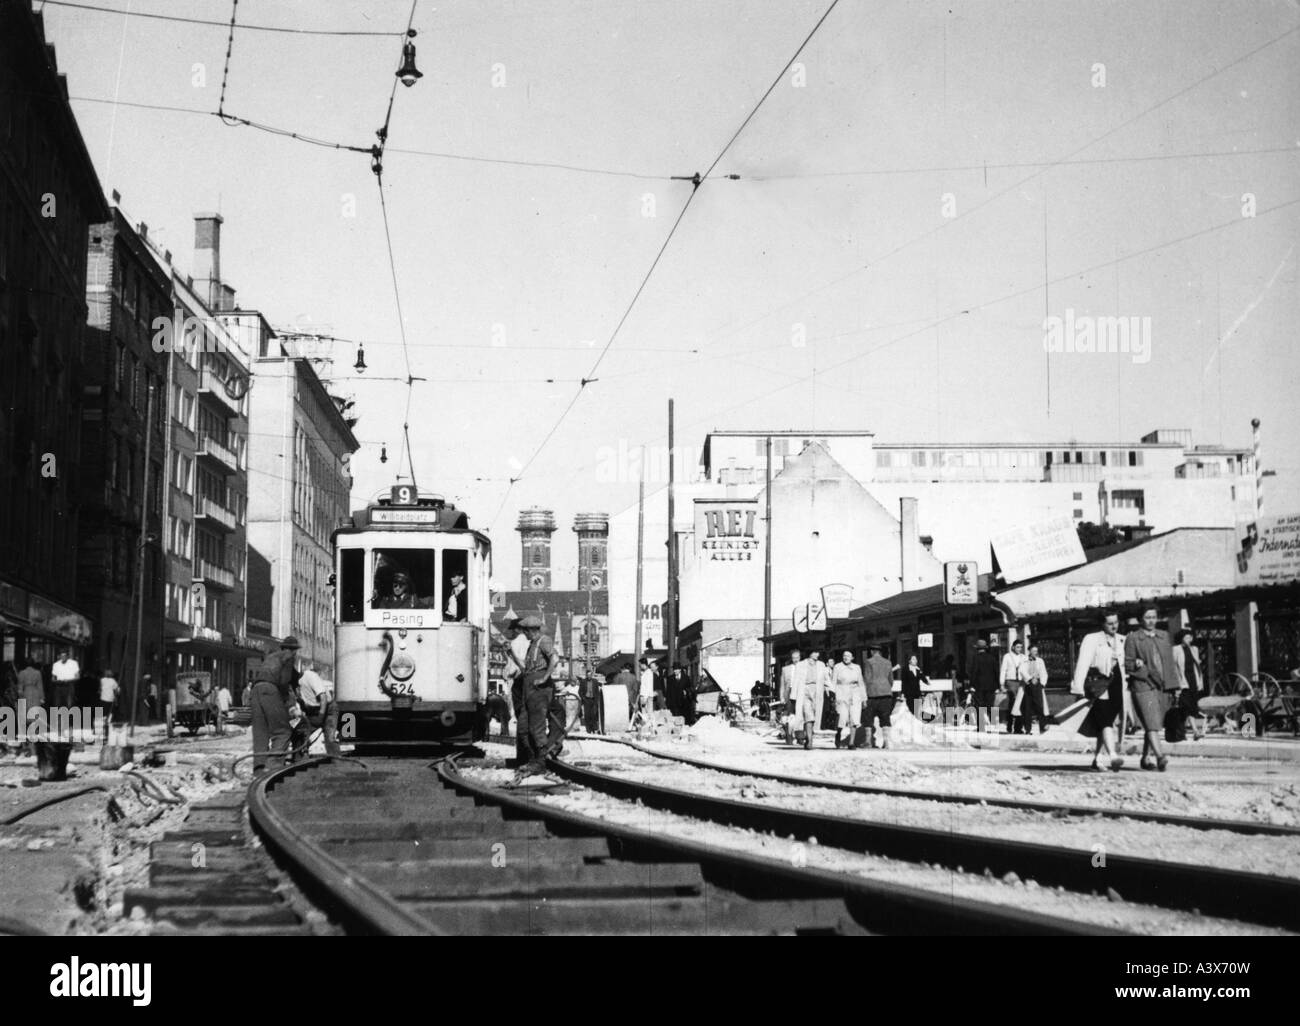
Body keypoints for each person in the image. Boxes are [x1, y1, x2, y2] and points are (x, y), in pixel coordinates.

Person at [1072, 611, 1126, 771]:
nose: (1114, 626)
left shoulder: (1122, 639)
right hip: (1099, 683)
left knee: (1107, 722)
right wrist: (1078, 686)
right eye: (1110, 623)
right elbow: (1083, 662)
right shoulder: (1092, 639)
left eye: (1116, 622)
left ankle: (1097, 758)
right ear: (1102, 624)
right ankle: (1113, 755)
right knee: (1105, 720)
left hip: (1117, 684)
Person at [1124, 606, 1175, 771]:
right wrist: (1142, 668)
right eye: (1147, 617)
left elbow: (1169, 663)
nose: (1151, 620)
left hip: (1162, 686)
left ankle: (1146, 758)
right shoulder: (1133, 638)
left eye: (1154, 617)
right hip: (1143, 685)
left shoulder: (1164, 636)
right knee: (1151, 722)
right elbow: (1129, 664)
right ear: (1140, 619)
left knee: (1152, 722)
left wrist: (1174, 685)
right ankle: (1160, 757)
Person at [513, 615, 558, 782]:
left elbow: (555, 658)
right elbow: (527, 669)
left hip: (539, 689)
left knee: (536, 727)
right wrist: (512, 656)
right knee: (523, 727)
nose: (524, 634)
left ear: (532, 630)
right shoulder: (532, 644)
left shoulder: (544, 640)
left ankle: (540, 762)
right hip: (529, 685)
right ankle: (533, 760)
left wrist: (545, 677)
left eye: (526, 631)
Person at [250, 636, 301, 771]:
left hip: (255, 690)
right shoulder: (288, 657)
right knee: (282, 731)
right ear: (294, 650)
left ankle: (259, 768)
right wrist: (290, 705)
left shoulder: (271, 657)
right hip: (270, 689)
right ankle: (274, 767)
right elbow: (284, 682)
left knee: (260, 732)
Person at [501, 616, 533, 765]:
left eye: (512, 630)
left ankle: (523, 755)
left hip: (518, 682)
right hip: (531, 681)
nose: (511, 633)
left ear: (517, 629)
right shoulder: (531, 642)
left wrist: (505, 673)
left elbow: (511, 669)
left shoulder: (514, 643)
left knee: (520, 717)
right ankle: (530, 754)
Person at [295, 664, 342, 756]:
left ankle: (336, 761)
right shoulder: (294, 684)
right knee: (300, 732)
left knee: (330, 737)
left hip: (328, 709)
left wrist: (320, 717)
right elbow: (301, 701)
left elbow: (323, 698)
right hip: (312, 710)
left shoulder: (309, 676)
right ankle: (300, 758)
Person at [1172, 630, 1206, 740]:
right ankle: (1190, 731)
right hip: (1182, 681)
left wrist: (1200, 681)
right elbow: (1173, 667)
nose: (1188, 640)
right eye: (1186, 638)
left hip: (1193, 680)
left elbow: (1198, 665)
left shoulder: (1194, 649)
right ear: (1182, 638)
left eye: (1190, 638)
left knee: (1191, 707)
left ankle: (1191, 732)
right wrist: (1175, 683)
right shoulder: (1176, 649)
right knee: (1186, 706)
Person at [862, 644, 895, 749]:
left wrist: (864, 694)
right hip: (886, 693)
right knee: (885, 718)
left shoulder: (868, 662)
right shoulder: (888, 662)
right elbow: (891, 680)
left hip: (872, 693)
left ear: (872, 651)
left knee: (868, 718)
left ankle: (868, 741)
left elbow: (867, 678)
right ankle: (886, 742)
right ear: (880, 652)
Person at [797, 647, 829, 750]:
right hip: (805, 690)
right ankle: (810, 740)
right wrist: (793, 696)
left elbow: (826, 678)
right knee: (808, 715)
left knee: (815, 715)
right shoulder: (801, 665)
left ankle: (808, 735)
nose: (817, 654)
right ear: (810, 653)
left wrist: (829, 689)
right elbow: (796, 680)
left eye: (818, 652)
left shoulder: (821, 665)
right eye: (815, 652)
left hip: (817, 691)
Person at [832, 650, 865, 748]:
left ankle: (851, 742)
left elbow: (861, 683)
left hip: (855, 693)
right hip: (841, 692)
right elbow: (833, 682)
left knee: (854, 717)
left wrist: (864, 698)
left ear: (852, 658)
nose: (846, 658)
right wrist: (833, 696)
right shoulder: (837, 667)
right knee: (842, 717)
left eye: (848, 656)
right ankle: (838, 733)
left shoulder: (857, 667)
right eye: (844, 656)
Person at [966, 640, 1001, 725]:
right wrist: (998, 686)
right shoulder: (992, 658)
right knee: (991, 705)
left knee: (980, 705)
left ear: (977, 648)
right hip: (991, 685)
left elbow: (974, 672)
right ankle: (994, 725)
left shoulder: (976, 658)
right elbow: (996, 672)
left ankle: (981, 726)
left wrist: (971, 685)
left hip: (979, 685)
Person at [1019, 644, 1050, 734]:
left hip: (1038, 685)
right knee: (1027, 707)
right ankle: (1028, 729)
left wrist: (1042, 684)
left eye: (1036, 651)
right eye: (1033, 651)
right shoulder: (1024, 660)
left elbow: (1044, 672)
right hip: (1028, 685)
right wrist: (1029, 679)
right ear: (1029, 651)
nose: (1035, 653)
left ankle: (1043, 726)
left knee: (1039, 706)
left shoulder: (1040, 661)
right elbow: (1022, 670)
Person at [778, 648, 806, 745]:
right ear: (791, 658)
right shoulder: (785, 669)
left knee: (800, 715)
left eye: (797, 657)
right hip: (789, 693)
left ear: (800, 657)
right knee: (789, 715)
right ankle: (789, 736)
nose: (796, 660)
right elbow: (782, 685)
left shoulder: (804, 668)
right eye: (794, 658)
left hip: (800, 692)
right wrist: (781, 697)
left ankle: (800, 737)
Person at [1000, 640, 1026, 733]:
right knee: (1013, 702)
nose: (1019, 649)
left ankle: (1018, 727)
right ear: (1013, 647)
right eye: (1018, 647)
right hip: (1011, 681)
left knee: (1020, 704)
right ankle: (1009, 725)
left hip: (1021, 682)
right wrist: (1002, 683)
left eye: (1021, 647)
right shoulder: (1007, 656)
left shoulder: (1024, 657)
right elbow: (1003, 670)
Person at [900, 654, 928, 718]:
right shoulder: (905, 669)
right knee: (911, 710)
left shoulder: (918, 669)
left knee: (917, 711)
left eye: (916, 659)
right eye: (913, 659)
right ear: (909, 661)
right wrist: (902, 693)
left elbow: (924, 679)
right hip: (909, 693)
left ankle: (916, 724)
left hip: (917, 693)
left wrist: (920, 671)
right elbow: (903, 682)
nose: (915, 661)